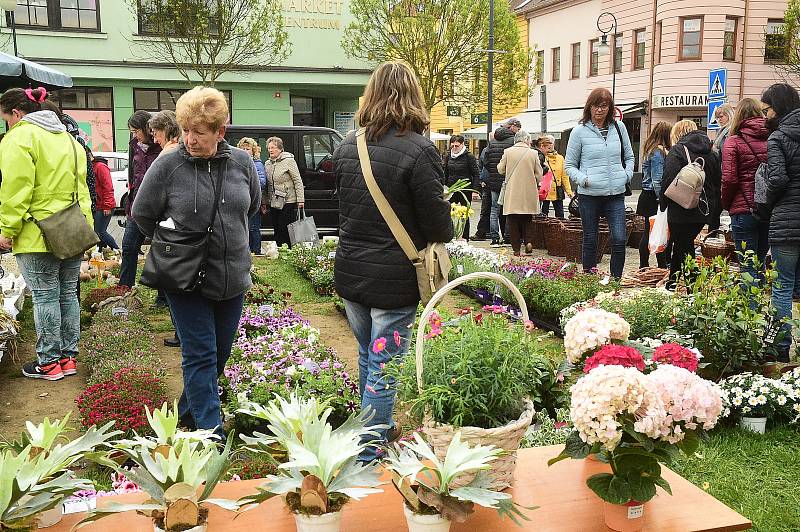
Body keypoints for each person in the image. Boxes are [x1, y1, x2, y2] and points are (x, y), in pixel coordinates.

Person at [331, 61, 453, 460]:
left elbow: (344, 209)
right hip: (395, 278)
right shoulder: (420, 150)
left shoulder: (349, 145)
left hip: (351, 269)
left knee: (369, 355)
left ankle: (374, 428)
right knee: (385, 364)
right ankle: (368, 452)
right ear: (413, 96)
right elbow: (438, 226)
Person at [133, 86, 260, 438]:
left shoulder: (242, 163)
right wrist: (173, 237)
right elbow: (142, 214)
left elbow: (249, 209)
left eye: (199, 132)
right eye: (185, 130)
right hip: (185, 277)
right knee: (200, 355)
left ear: (221, 132)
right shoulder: (168, 165)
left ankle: (186, 413)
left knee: (218, 355)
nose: (190, 139)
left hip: (232, 275)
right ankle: (211, 432)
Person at [0, 87, 92, 381]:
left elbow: (15, 189)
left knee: (44, 296)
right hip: (72, 229)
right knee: (67, 294)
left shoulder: (19, 138)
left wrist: (7, 228)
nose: (7, 125)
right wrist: (86, 226)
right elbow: (83, 189)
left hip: (35, 231)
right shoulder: (69, 139)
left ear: (16, 113)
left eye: (6, 119)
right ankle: (67, 359)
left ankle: (49, 362)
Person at [565, 87, 634, 279]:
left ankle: (615, 280)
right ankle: (589, 278)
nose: (599, 110)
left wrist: (627, 174)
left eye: (604, 106)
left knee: (619, 239)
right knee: (591, 239)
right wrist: (583, 180)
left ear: (610, 107)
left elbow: (629, 156)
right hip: (589, 195)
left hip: (615, 194)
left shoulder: (620, 128)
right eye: (596, 105)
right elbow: (569, 165)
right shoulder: (579, 132)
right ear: (589, 107)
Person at [761, 83, 800, 362]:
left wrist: (767, 203)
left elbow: (777, 179)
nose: (765, 116)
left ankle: (781, 347)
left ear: (779, 107)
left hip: (787, 219)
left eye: (767, 110)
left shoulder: (778, 138)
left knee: (783, 284)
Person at [660, 120, 721, 289]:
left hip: (680, 207)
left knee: (684, 247)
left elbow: (668, 180)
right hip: (703, 209)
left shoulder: (678, 150)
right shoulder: (712, 152)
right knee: (682, 244)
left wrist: (663, 205)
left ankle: (693, 288)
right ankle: (672, 284)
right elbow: (717, 182)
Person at [721, 98, 770, 280]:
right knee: (760, 261)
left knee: (747, 266)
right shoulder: (773, 138)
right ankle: (761, 306)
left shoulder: (733, 141)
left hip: (743, 210)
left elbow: (729, 179)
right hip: (767, 209)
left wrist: (727, 203)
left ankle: (750, 306)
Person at [119, 111, 161, 289]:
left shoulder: (161, 147)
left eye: (136, 131)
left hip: (157, 207)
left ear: (147, 128)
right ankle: (124, 289)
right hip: (135, 205)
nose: (134, 135)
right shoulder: (134, 145)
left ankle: (163, 295)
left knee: (160, 251)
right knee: (128, 247)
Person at [498, 130, 542, 256]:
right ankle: (528, 241)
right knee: (528, 219)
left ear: (515, 139)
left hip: (512, 192)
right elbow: (539, 174)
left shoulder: (508, 152)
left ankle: (516, 250)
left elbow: (501, 169)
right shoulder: (533, 153)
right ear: (527, 140)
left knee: (512, 221)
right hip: (529, 191)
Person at [638, 122, 671, 268]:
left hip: (647, 195)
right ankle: (656, 266)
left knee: (651, 231)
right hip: (653, 196)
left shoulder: (650, 149)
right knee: (655, 231)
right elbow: (657, 179)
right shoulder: (658, 152)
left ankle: (646, 265)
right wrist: (661, 199)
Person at [263, 136, 304, 248]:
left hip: (288, 200)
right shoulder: (267, 163)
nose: (270, 150)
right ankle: (279, 248)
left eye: (273, 147)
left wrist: (300, 200)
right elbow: (266, 185)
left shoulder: (289, 161)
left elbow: (297, 180)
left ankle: (288, 248)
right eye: (269, 148)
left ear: (280, 149)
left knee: (284, 226)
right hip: (274, 200)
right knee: (276, 226)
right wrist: (265, 201)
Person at [485, 119, 520, 246]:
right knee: (508, 209)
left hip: (494, 181)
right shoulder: (513, 142)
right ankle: (507, 237)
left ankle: (494, 238)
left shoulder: (492, 141)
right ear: (512, 128)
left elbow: (485, 160)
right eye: (517, 128)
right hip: (509, 180)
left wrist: (493, 172)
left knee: (494, 209)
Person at [443, 134, 479, 240]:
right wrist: (444, 187)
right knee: (449, 212)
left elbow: (476, 174)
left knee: (464, 213)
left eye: (456, 146)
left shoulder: (469, 156)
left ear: (462, 144)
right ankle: (451, 236)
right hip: (451, 188)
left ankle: (465, 237)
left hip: (465, 188)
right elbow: (445, 172)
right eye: (452, 146)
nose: (454, 148)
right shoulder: (449, 156)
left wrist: (475, 191)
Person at [238, 137, 267, 253]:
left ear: (253, 151)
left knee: (254, 228)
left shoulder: (257, 164)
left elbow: (262, 182)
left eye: (248, 149)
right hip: (243, 200)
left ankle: (256, 251)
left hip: (253, 200)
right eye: (243, 148)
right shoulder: (239, 163)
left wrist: (245, 186)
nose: (245, 151)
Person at [537, 134, 572, 219]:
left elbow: (564, 176)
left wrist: (569, 192)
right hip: (545, 190)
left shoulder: (560, 158)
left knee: (560, 215)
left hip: (557, 190)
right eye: (548, 142)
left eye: (551, 142)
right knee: (543, 214)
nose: (550, 145)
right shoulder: (541, 157)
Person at [90, 148, 118, 250]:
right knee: (98, 232)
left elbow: (108, 187)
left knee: (100, 231)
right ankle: (102, 253)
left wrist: (107, 206)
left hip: (103, 205)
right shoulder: (91, 167)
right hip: (98, 204)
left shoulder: (100, 167)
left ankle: (117, 249)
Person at [471, 138, 493, 240]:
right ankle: (488, 233)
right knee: (493, 210)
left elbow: (481, 166)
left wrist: (482, 179)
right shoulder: (486, 150)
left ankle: (484, 232)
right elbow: (480, 166)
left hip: (488, 183)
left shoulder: (486, 150)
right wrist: (481, 179)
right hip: (489, 183)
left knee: (487, 209)